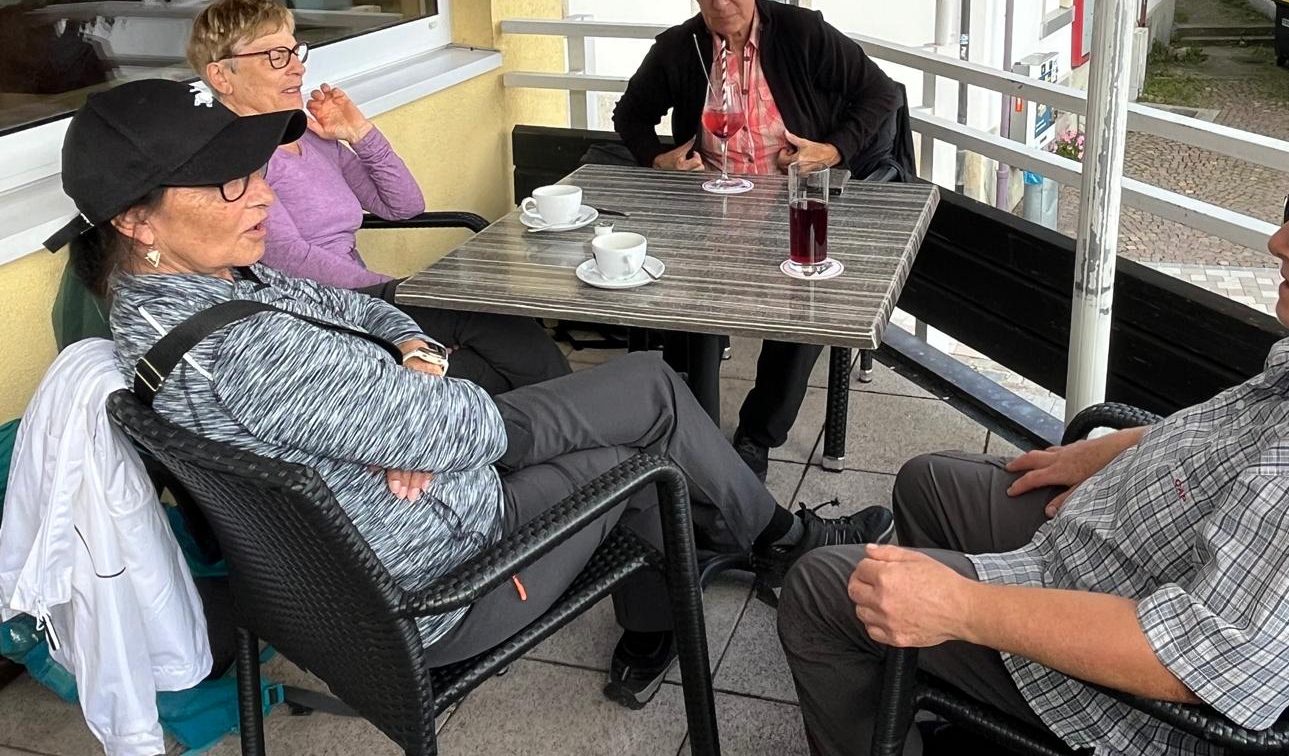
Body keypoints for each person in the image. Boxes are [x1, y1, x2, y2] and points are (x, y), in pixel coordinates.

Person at [44, 78, 894, 709]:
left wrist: (413, 360)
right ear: (135, 219)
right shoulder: (242, 350)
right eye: (228, 182)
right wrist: (419, 426)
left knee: (644, 400)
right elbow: (458, 430)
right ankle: (768, 551)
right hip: (447, 582)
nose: (262, 191)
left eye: (252, 169)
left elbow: (359, 308)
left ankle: (726, 570)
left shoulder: (188, 298)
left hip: (385, 542)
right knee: (651, 424)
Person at [778, 99, 1289, 755]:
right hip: (1126, 547)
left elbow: (1203, 662)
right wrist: (1121, 447)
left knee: (820, 590)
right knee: (928, 483)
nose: (1279, 242)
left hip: (1130, 693)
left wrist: (963, 608)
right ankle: (934, 694)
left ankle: (926, 693)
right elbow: (1245, 443)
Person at [613, 0, 906, 479]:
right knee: (684, 300)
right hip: (707, 206)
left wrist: (833, 149)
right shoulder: (679, 48)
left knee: (804, 308)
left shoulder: (801, 33)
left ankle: (757, 435)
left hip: (790, 202)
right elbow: (630, 114)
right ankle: (694, 430)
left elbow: (879, 92)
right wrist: (656, 157)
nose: (719, 1)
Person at [186, 0, 567, 392]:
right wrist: (397, 300)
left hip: (365, 298)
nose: (297, 67)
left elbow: (403, 206)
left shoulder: (308, 138)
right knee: (484, 324)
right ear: (221, 76)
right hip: (319, 312)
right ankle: (572, 412)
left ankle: (561, 414)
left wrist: (359, 133)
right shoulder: (235, 161)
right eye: (275, 56)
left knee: (490, 355)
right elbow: (290, 258)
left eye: (295, 51)